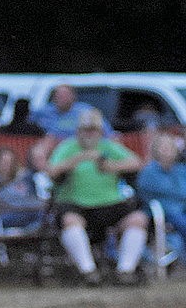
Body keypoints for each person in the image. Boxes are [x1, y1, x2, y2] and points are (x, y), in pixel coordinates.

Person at [47, 108, 146, 285]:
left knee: (138, 219)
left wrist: (110, 166)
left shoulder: (108, 147)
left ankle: (125, 271)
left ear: (100, 132)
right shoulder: (68, 147)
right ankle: (88, 272)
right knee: (70, 220)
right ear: (78, 131)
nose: (90, 134)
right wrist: (77, 159)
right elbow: (52, 171)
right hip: (76, 204)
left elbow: (136, 162)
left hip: (110, 203)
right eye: (86, 130)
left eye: (94, 130)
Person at [136, 134, 186, 245]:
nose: (167, 150)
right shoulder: (148, 171)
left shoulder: (181, 169)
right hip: (163, 211)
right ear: (156, 150)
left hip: (182, 208)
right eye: (163, 147)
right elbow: (146, 193)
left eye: (169, 146)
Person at [34, 84, 113, 140]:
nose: (61, 99)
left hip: (80, 145)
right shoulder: (43, 112)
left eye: (65, 96)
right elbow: (28, 124)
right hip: (54, 144)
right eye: (58, 96)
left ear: (73, 96)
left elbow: (106, 131)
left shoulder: (85, 110)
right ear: (53, 98)